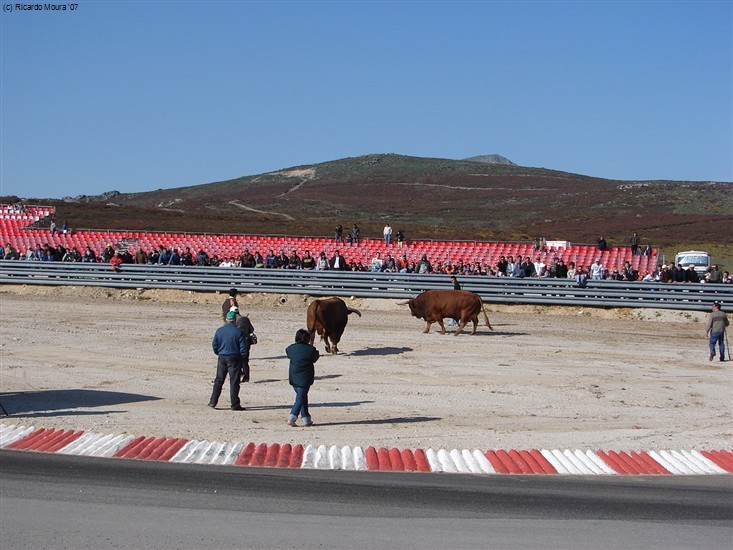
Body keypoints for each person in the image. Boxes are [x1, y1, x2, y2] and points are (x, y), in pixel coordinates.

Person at [209, 310, 248, 410]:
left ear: (226, 320)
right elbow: (243, 349)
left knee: (219, 380)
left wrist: (219, 353)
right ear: (234, 320)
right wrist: (242, 359)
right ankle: (234, 404)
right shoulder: (238, 332)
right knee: (234, 382)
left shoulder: (219, 331)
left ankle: (213, 402)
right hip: (234, 358)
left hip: (222, 357)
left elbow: (214, 345)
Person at [286, 328, 320, 427]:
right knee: (300, 399)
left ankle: (306, 418)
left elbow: (288, 353)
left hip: (293, 376)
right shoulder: (310, 350)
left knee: (302, 397)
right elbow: (315, 358)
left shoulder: (291, 348)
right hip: (305, 378)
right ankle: (292, 417)